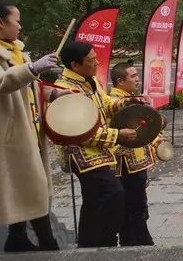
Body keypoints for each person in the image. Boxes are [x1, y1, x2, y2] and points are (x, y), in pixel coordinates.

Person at [0, 0, 60, 252]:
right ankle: (46, 240)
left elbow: (28, 86)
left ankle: (17, 237)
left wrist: (51, 95)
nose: (20, 25)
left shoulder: (15, 51)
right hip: (10, 131)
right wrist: (32, 68)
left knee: (30, 184)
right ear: (0, 22)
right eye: (16, 20)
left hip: (30, 128)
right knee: (28, 185)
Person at [54, 41, 138, 247]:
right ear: (75, 65)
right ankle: (103, 240)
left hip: (98, 150)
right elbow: (80, 131)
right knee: (112, 194)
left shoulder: (90, 80)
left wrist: (127, 102)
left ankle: (91, 242)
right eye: (91, 60)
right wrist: (117, 135)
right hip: (81, 152)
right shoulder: (65, 89)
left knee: (96, 200)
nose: (96, 63)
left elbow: (106, 105)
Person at [110, 61, 163, 246]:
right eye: (133, 76)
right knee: (134, 207)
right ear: (120, 81)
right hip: (126, 166)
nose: (137, 80)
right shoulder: (116, 103)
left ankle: (136, 238)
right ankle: (137, 242)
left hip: (137, 164)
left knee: (138, 205)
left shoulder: (133, 98)